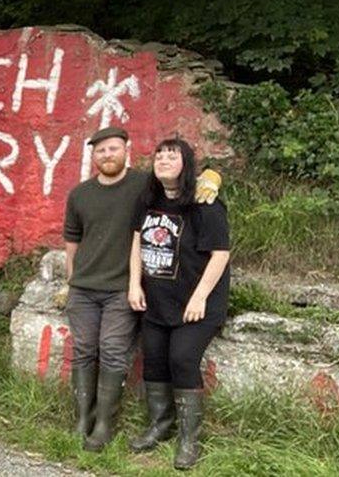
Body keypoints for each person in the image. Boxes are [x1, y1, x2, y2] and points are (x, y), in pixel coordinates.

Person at [64, 127, 222, 453]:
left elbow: (219, 248)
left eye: (113, 149)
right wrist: (74, 281)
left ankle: (172, 438)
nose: (107, 155)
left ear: (127, 150)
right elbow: (86, 241)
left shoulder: (169, 192)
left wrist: (213, 177)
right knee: (110, 355)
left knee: (141, 354)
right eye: (100, 150)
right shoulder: (120, 194)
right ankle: (102, 422)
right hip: (120, 294)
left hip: (157, 295)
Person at [127, 138, 230, 470]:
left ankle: (189, 439)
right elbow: (136, 244)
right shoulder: (147, 201)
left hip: (195, 304)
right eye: (159, 154)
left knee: (182, 359)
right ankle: (160, 425)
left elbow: (220, 254)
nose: (164, 159)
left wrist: (200, 297)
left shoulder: (206, 204)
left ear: (187, 163)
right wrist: (133, 284)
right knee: (154, 361)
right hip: (157, 301)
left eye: (172, 155)